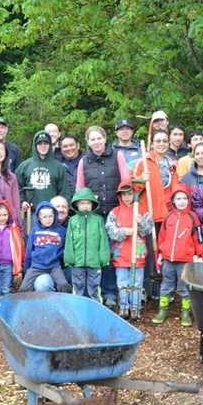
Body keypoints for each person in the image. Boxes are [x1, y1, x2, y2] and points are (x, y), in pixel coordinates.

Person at [76, 125, 129, 309]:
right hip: (95, 216)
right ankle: (94, 292)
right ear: (88, 142)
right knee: (99, 254)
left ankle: (110, 292)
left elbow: (125, 184)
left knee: (114, 254)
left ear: (105, 138)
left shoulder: (118, 156)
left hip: (116, 213)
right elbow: (80, 190)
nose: (96, 142)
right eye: (93, 139)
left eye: (99, 138)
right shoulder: (84, 162)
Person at [152, 185, 203, 327]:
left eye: (184, 198)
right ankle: (162, 311)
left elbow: (198, 238)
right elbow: (162, 237)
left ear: (189, 200)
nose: (181, 201)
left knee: (183, 286)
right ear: (173, 200)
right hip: (169, 258)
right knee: (166, 284)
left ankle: (185, 312)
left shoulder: (193, 217)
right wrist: (161, 253)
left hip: (185, 259)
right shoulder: (168, 217)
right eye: (178, 198)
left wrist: (199, 254)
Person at [105, 181, 153, 321]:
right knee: (122, 282)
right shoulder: (115, 212)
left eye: (130, 194)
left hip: (137, 253)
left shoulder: (142, 211)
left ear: (134, 194)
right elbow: (110, 230)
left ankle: (135, 307)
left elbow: (147, 230)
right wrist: (122, 231)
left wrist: (141, 223)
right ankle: (124, 306)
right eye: (124, 195)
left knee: (136, 282)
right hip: (121, 254)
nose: (127, 197)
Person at [64, 188, 110, 302]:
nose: (85, 206)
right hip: (77, 262)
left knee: (94, 286)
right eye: (82, 203)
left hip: (94, 262)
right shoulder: (73, 221)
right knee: (78, 286)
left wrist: (104, 258)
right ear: (76, 204)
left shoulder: (98, 220)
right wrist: (69, 258)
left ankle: (97, 307)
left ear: (93, 204)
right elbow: (69, 241)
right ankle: (77, 306)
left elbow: (103, 240)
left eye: (88, 203)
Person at [19, 202, 71, 293]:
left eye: (50, 216)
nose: (48, 219)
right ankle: (29, 304)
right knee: (24, 288)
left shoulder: (61, 231)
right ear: (39, 218)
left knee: (63, 284)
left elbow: (66, 249)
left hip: (54, 266)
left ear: (54, 215)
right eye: (45, 217)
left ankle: (64, 303)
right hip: (37, 266)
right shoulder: (34, 231)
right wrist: (26, 268)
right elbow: (29, 250)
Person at [16, 131, 71, 214]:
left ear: (50, 145)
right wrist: (22, 201)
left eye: (46, 143)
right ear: (35, 145)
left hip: (52, 213)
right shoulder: (24, 166)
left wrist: (62, 210)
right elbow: (17, 187)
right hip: (30, 213)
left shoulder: (59, 167)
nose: (43, 146)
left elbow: (64, 192)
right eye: (39, 143)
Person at [0, 200, 24, 306]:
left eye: (5, 215)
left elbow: (18, 247)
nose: (2, 217)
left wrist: (20, 262)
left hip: (8, 264)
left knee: (6, 288)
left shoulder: (12, 229)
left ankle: (6, 308)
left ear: (9, 214)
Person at [33, 196, 71, 292]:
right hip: (47, 269)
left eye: (64, 207)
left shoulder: (74, 224)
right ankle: (48, 305)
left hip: (69, 269)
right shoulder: (38, 229)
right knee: (42, 284)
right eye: (57, 206)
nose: (61, 210)